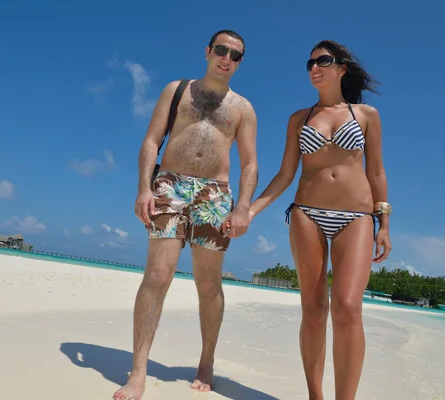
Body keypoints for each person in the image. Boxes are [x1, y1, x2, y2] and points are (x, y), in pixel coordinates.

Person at [113, 29, 258, 400]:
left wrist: (242, 207)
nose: (227, 58)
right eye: (222, 50)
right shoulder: (177, 89)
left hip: (215, 195)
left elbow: (250, 163)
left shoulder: (242, 108)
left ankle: (206, 362)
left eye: (236, 55)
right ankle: (139, 371)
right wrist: (145, 188)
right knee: (158, 275)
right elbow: (151, 139)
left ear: (240, 62)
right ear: (208, 51)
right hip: (171, 185)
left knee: (208, 285)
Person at [248, 40, 392, 400]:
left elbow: (376, 172)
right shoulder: (300, 118)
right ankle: (315, 396)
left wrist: (384, 223)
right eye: (310, 62)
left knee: (346, 308)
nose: (314, 67)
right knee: (313, 310)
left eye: (323, 60)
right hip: (306, 214)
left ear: (341, 68)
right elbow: (285, 175)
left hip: (356, 217)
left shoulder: (366, 115)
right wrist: (248, 209)